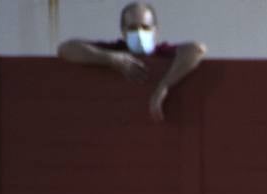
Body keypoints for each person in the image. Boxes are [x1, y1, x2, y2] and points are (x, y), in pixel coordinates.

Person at [57, 2, 207, 122]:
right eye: (133, 28)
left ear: (156, 31)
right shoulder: (117, 49)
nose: (140, 33)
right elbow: (66, 48)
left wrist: (164, 85)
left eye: (145, 27)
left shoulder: (162, 51)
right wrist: (110, 59)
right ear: (123, 31)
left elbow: (196, 50)